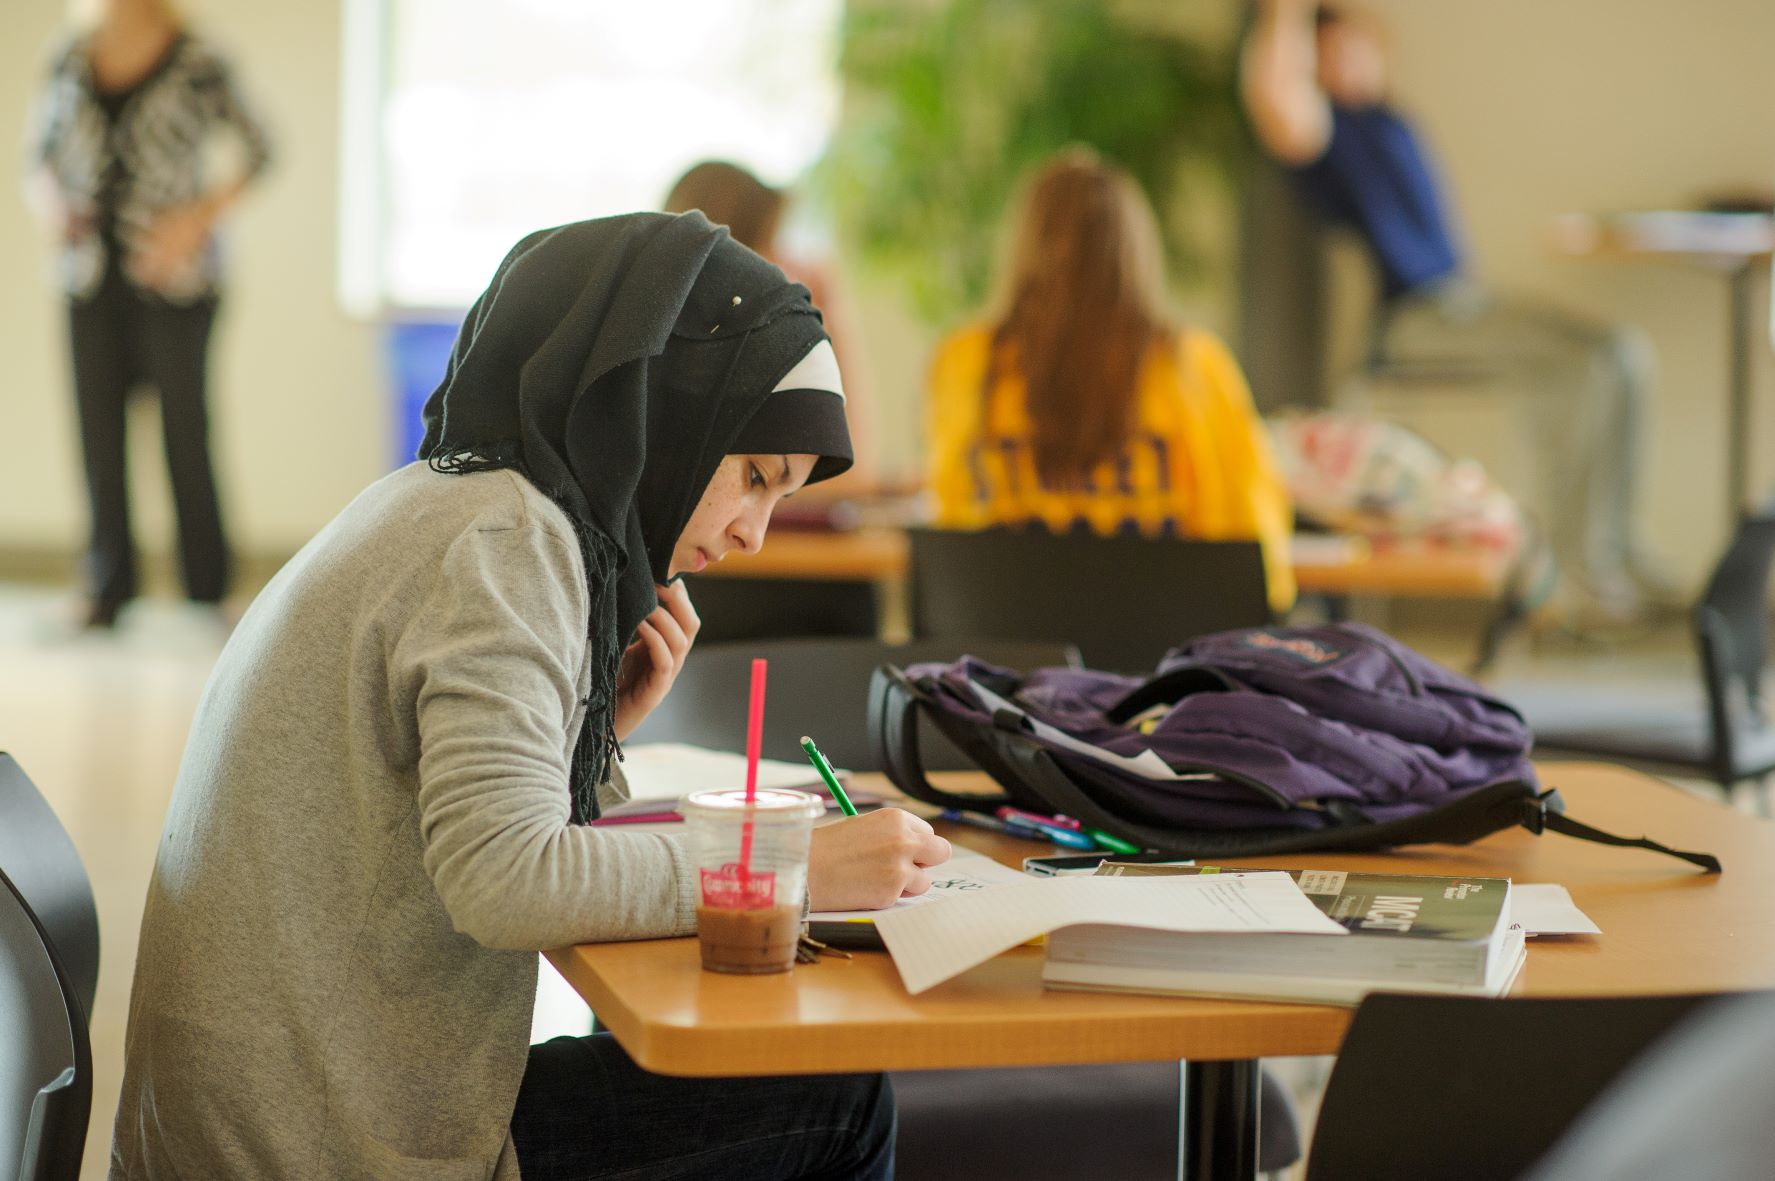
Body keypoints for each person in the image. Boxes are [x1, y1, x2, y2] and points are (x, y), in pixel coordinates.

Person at [108, 212, 949, 1179]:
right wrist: (797, 866)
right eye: (755, 476)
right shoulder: (511, 543)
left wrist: (597, 727)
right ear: (666, 411)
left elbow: (458, 838)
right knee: (840, 1100)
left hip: (289, 1112)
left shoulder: (446, 500)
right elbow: (507, 881)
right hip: (330, 1144)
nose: (756, 532)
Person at [1241, 0, 1667, 625]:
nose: (1343, 61)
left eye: (1350, 46)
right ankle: (1580, 573)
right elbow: (1276, 99)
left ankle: (1617, 550)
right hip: (1418, 318)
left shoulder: (1390, 121)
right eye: (1325, 53)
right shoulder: (1335, 135)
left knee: (1620, 355)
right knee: (1588, 368)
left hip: (1465, 302)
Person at [924, 148, 1297, 614]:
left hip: (1007, 672)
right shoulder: (1195, 368)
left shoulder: (966, 364)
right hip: (1165, 672)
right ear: (1136, 251)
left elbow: (954, 541)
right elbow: (1260, 562)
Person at [24, 0, 272, 629]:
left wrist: (194, 221)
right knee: (98, 433)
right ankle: (108, 587)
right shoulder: (69, 56)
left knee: (185, 431)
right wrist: (52, 207)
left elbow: (260, 148)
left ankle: (209, 589)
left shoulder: (198, 59)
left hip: (175, 280)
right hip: (88, 275)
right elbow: (39, 160)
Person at [665, 159, 878, 492]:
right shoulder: (711, 379)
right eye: (773, 243)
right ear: (731, 257)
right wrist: (830, 323)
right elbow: (852, 476)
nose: (784, 262)